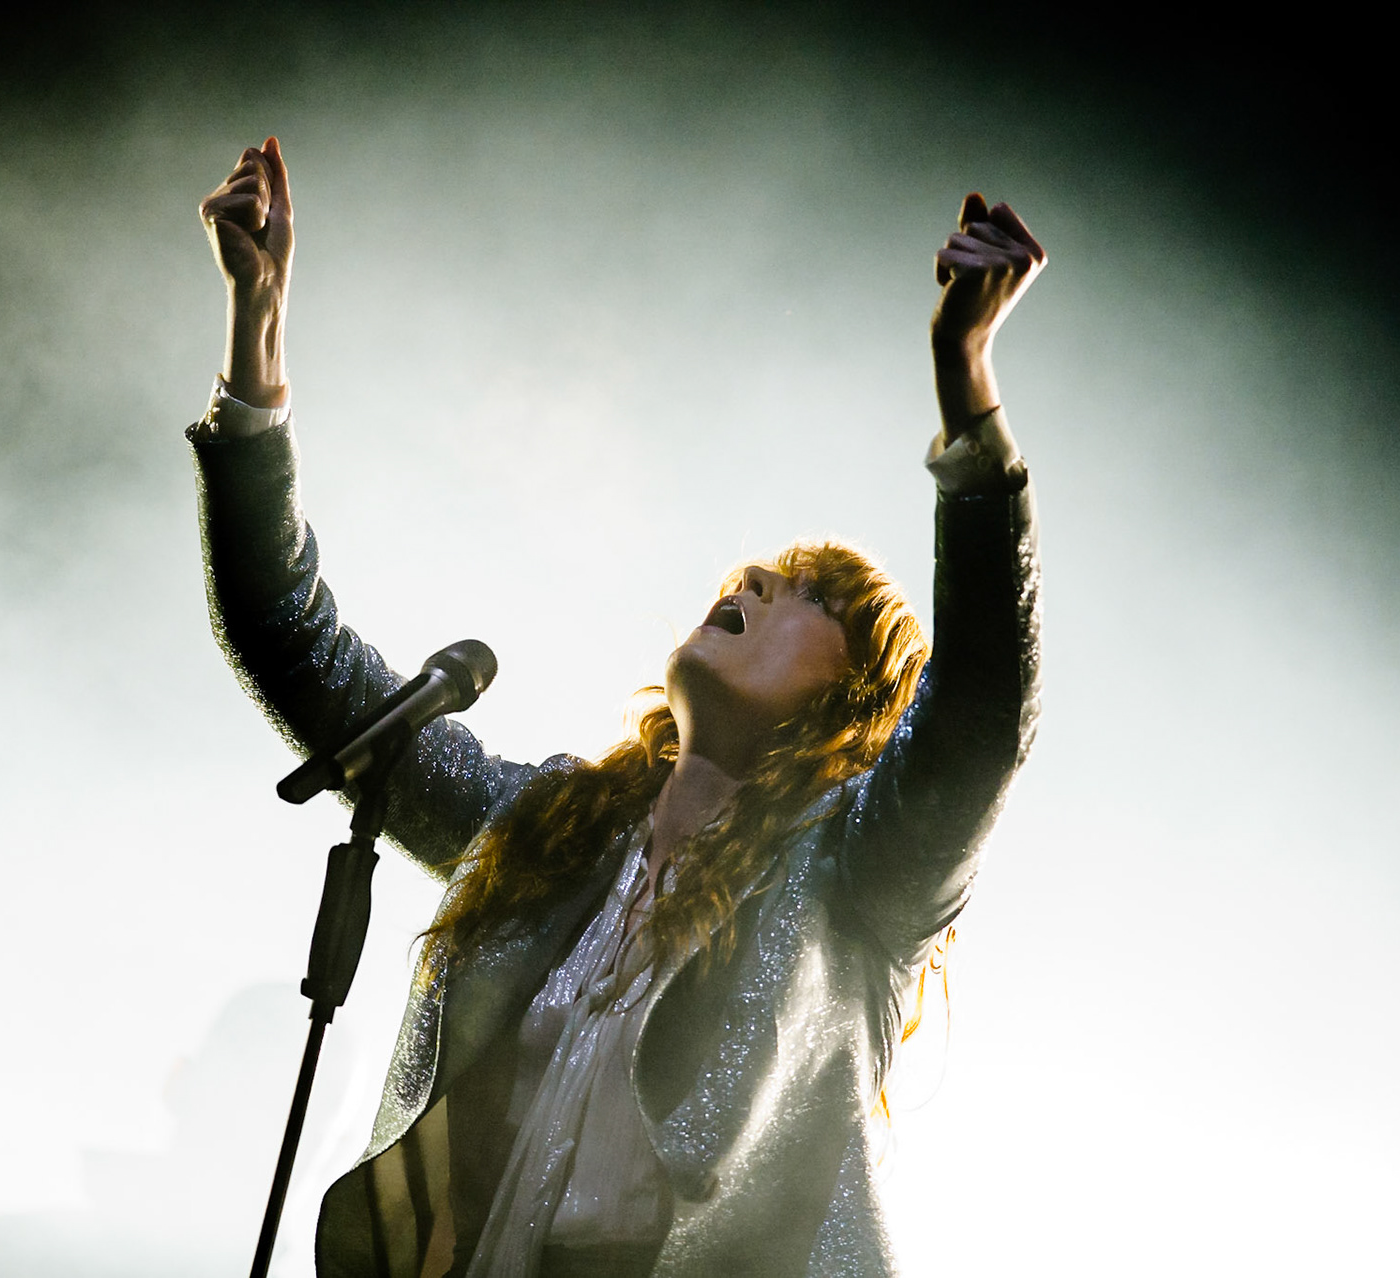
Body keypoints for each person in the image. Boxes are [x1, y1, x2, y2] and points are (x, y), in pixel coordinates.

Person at [190, 137, 1044, 1277]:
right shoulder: (546, 830)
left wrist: (968, 390)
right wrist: (256, 336)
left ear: (851, 706)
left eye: (807, 596)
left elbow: (984, 704)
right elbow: (295, 651)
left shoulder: (858, 878)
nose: (752, 582)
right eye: (754, 571)